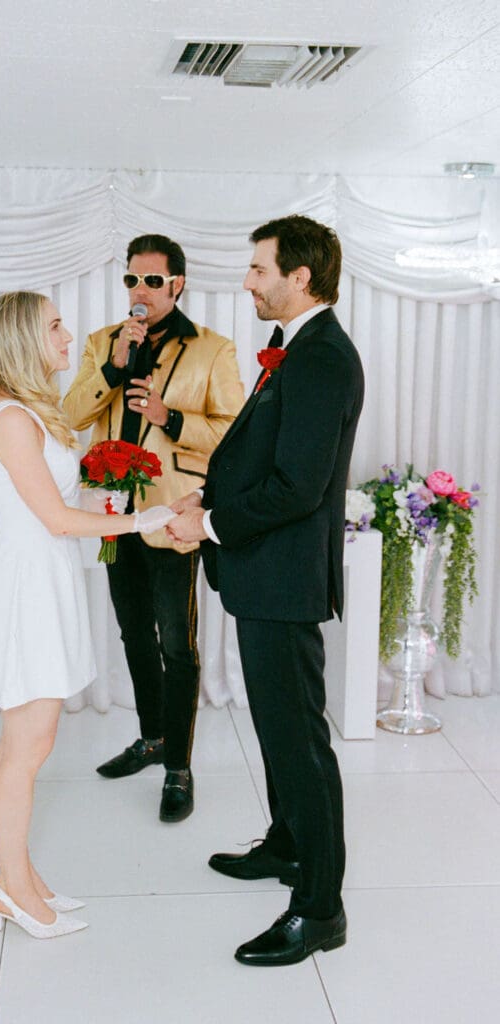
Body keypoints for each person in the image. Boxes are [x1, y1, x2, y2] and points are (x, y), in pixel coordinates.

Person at [168, 215, 364, 965]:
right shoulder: (297, 350)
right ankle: (286, 845)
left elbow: (295, 488)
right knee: (279, 731)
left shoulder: (320, 359)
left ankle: (319, 909)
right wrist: (201, 499)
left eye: (257, 269)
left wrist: (210, 524)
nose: (247, 281)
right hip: (265, 577)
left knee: (299, 742)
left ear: (299, 277)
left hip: (280, 580)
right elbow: (260, 457)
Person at [0, 291, 174, 939]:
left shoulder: (32, 411)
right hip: (24, 586)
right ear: (27, 338)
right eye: (54, 326)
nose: (66, 334)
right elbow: (52, 518)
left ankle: (19, 876)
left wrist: (110, 500)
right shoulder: (11, 418)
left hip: (45, 576)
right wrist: (142, 519)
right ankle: (12, 888)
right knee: (25, 748)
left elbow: (55, 501)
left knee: (33, 741)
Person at [63, 234, 244, 822]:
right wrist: (114, 367)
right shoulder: (101, 344)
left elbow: (235, 436)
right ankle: (152, 738)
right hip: (115, 517)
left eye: (152, 282)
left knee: (177, 644)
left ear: (178, 285)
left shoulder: (213, 350)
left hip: (172, 516)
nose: (139, 293)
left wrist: (172, 418)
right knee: (134, 637)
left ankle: (179, 767)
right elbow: (70, 417)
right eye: (131, 281)